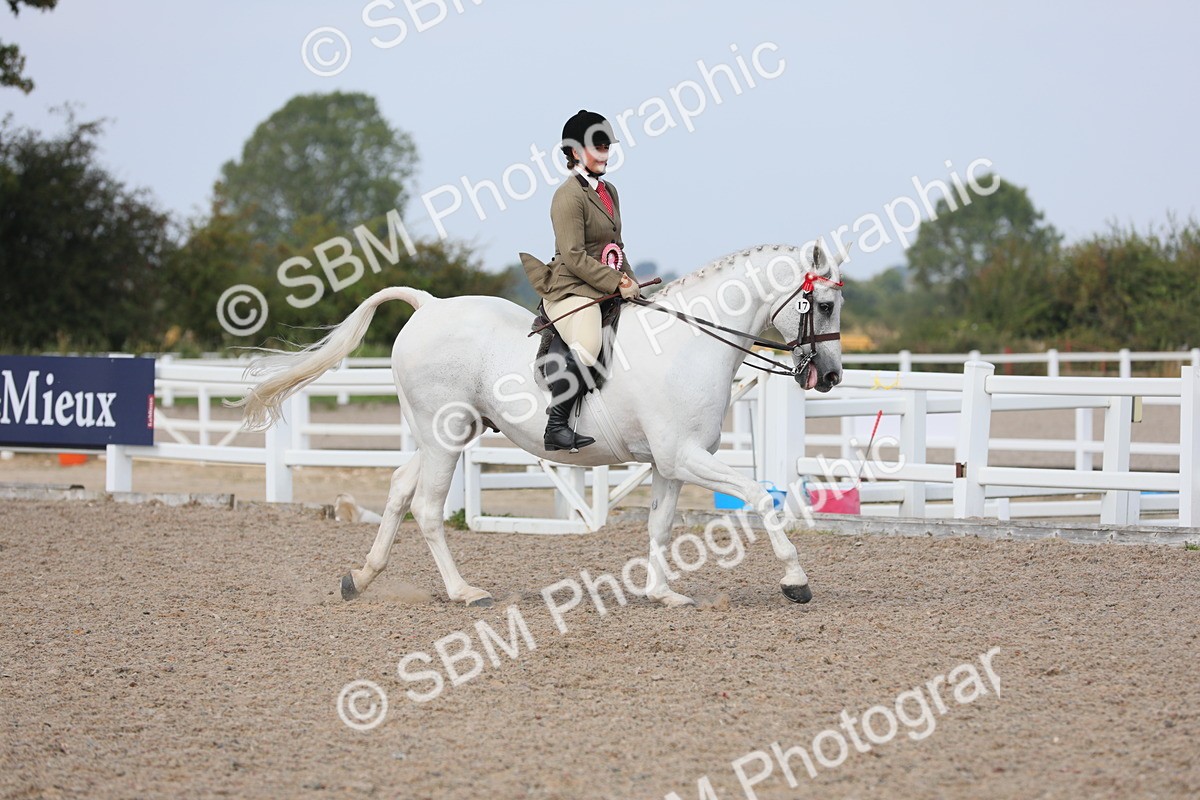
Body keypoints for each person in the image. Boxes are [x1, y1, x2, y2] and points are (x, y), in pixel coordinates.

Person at [520, 110, 641, 452]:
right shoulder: (567, 196)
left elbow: (614, 248)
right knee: (588, 345)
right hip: (569, 287)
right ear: (574, 152)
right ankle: (556, 426)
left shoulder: (609, 191)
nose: (605, 152)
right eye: (596, 146)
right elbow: (573, 255)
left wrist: (630, 282)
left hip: (600, 283)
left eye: (606, 145)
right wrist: (616, 283)